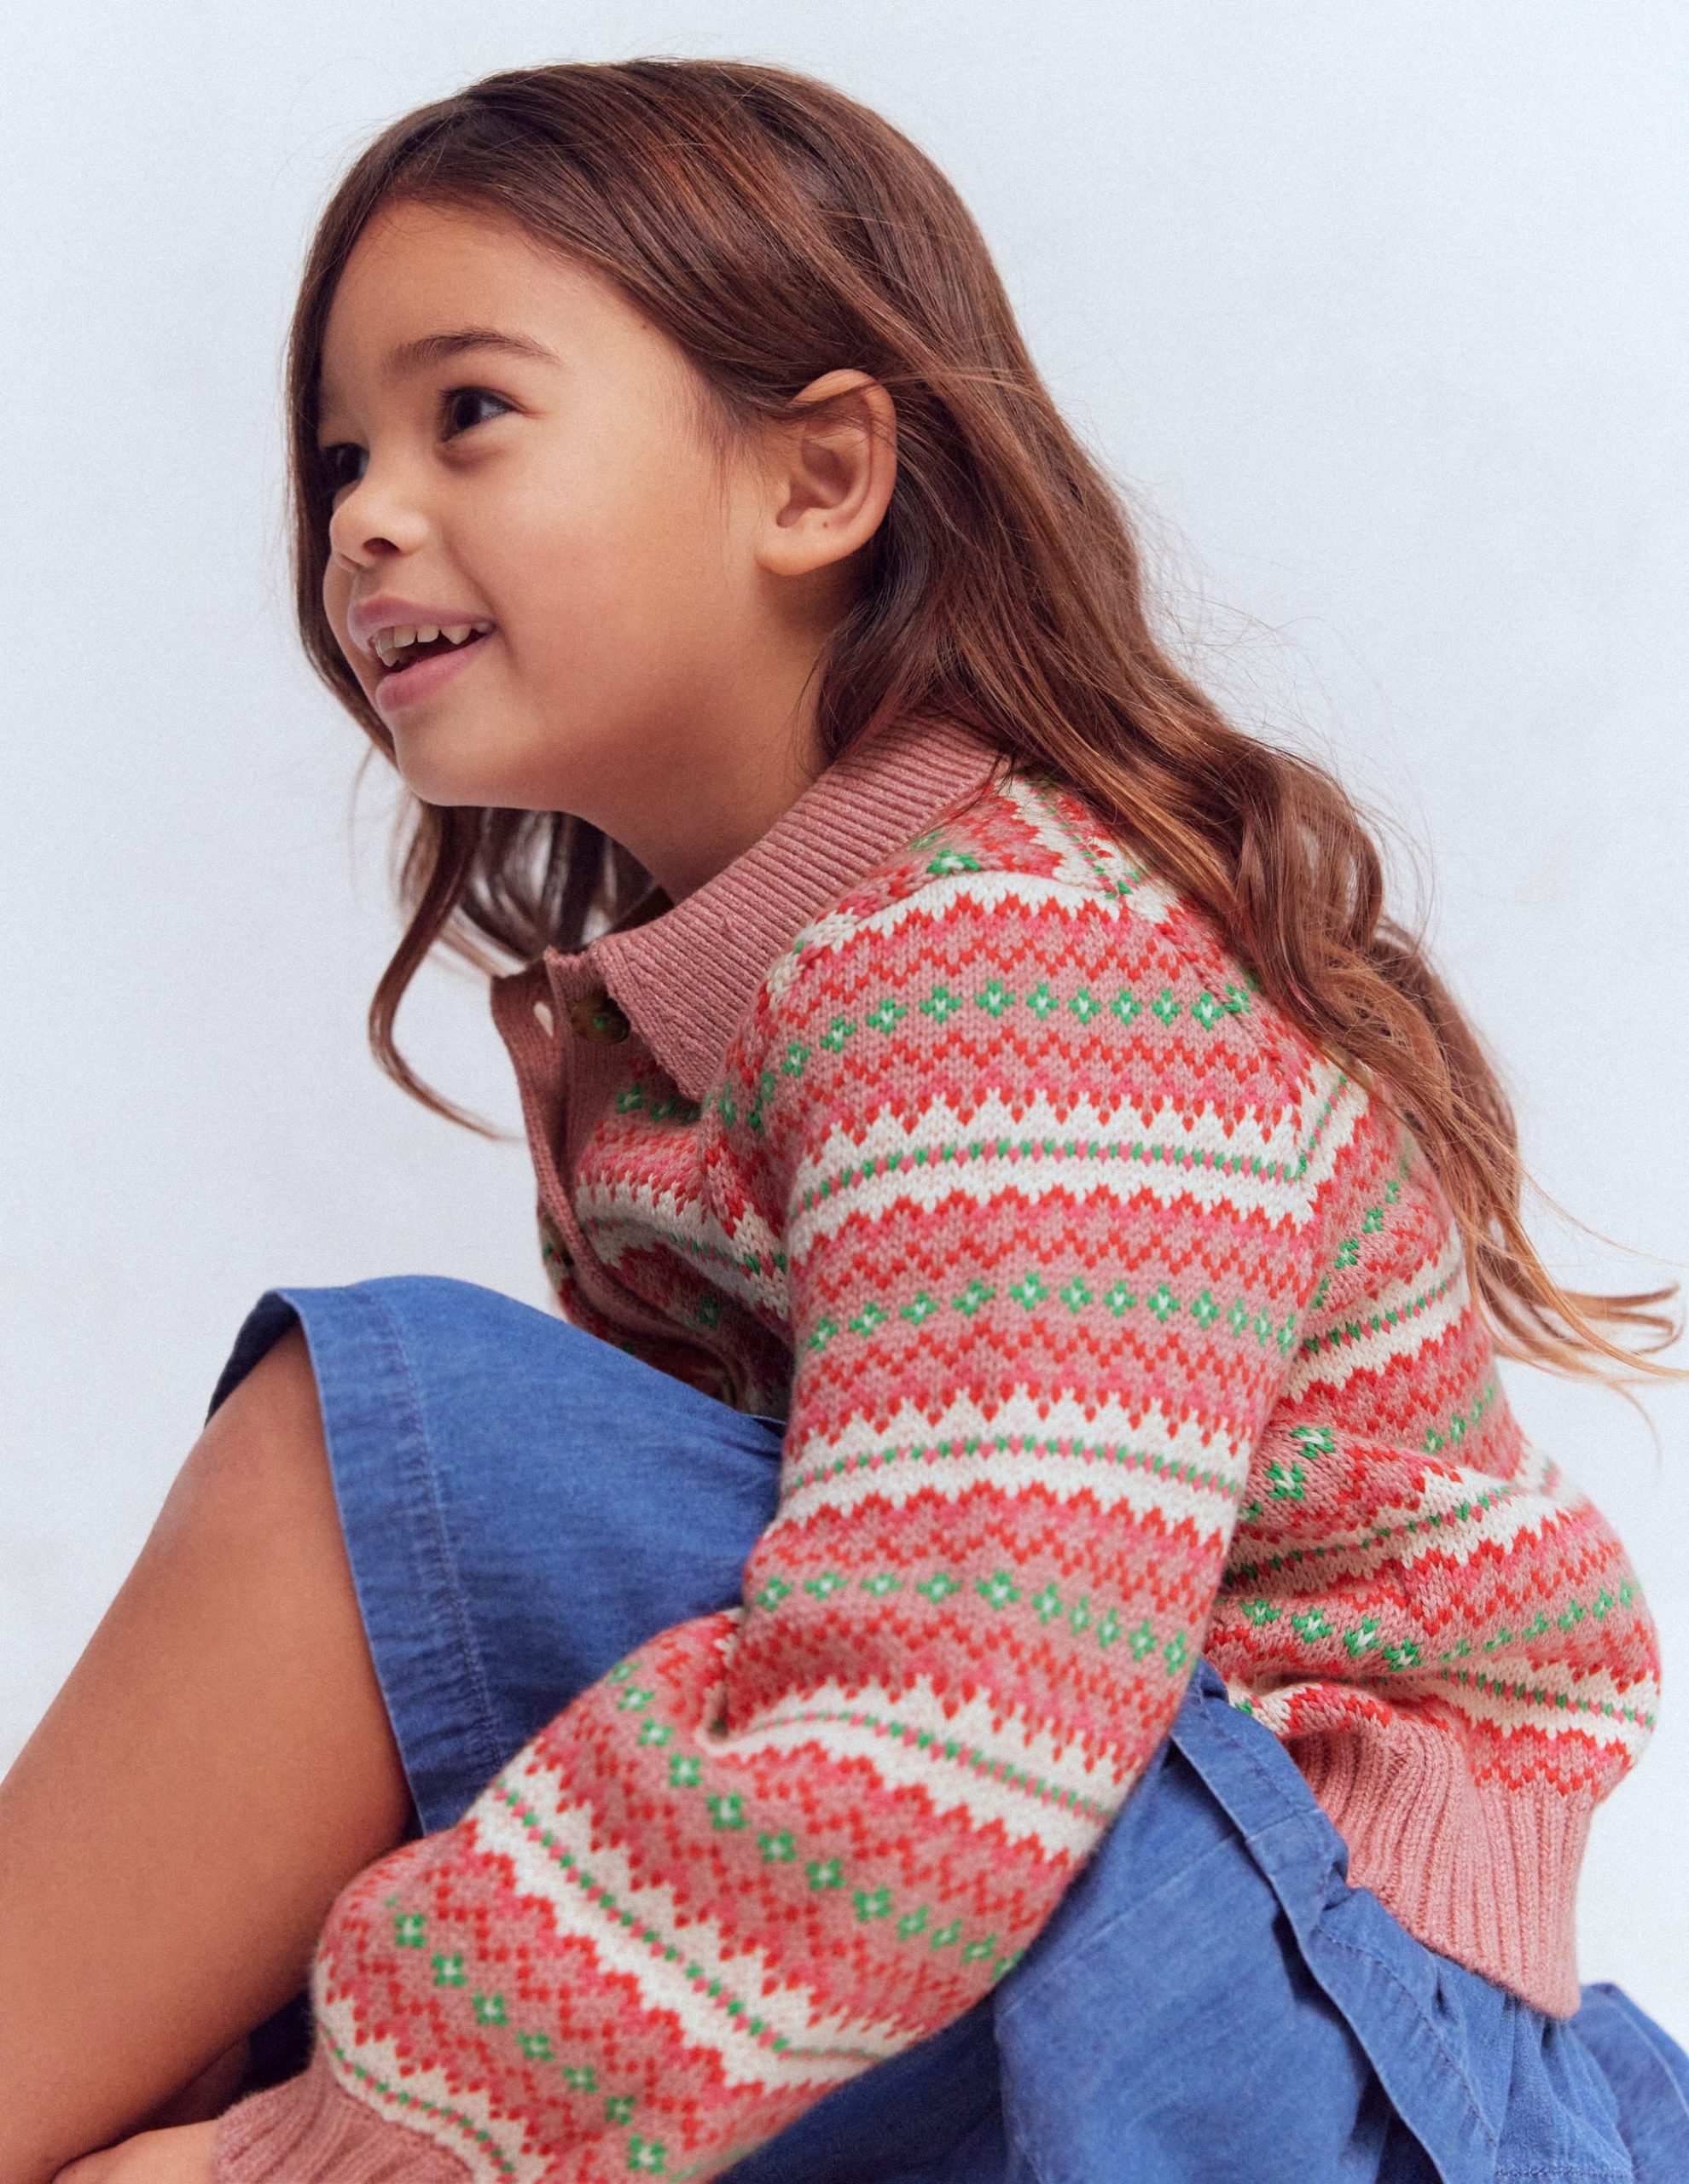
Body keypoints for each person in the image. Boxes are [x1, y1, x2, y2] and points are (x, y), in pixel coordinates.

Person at [3, 55, 1686, 2184]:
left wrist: (311, 2156)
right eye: (342, 452)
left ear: (817, 481)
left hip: (1304, 2023)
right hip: (1135, 1935)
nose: (363, 516)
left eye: (469, 413)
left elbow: (946, 1711)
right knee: (299, 1849)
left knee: (378, 1446)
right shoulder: (742, 998)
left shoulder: (1012, 962)